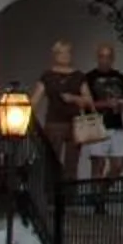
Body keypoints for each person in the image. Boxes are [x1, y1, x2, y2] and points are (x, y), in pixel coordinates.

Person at [84, 43, 123, 180]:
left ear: (113, 59)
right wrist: (106, 103)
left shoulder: (119, 77)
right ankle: (96, 198)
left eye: (108, 57)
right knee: (98, 164)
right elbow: (86, 103)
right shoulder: (89, 77)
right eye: (102, 56)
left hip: (116, 125)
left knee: (119, 164)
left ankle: (102, 193)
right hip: (96, 125)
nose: (105, 60)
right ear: (97, 58)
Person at [38, 41, 88, 174]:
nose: (66, 55)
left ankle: (69, 193)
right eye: (62, 52)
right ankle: (52, 192)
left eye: (68, 52)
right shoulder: (47, 76)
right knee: (52, 161)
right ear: (55, 55)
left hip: (75, 123)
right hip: (55, 122)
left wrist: (74, 98)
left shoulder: (79, 76)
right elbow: (35, 98)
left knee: (72, 164)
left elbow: (88, 100)